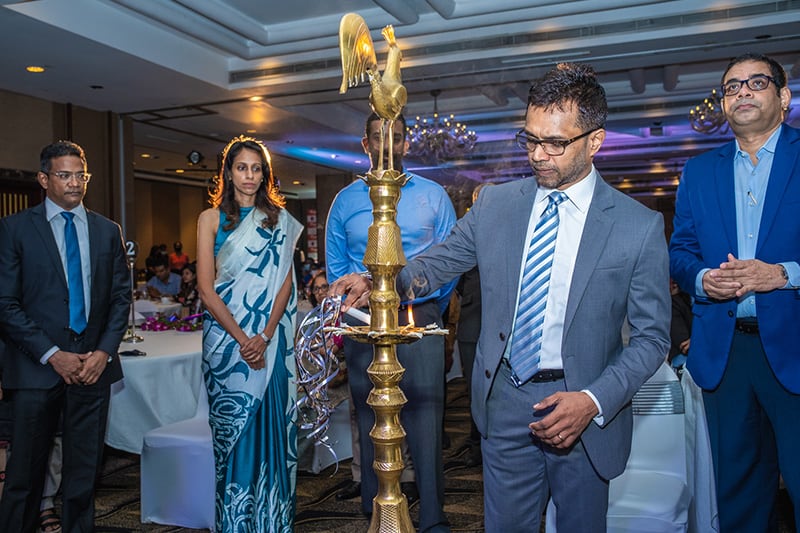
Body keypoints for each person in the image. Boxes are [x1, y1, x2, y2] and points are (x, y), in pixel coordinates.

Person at [333, 64, 671, 532]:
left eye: (555, 143)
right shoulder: (495, 204)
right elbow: (436, 264)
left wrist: (593, 400)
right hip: (504, 400)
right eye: (529, 139)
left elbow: (652, 339)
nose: (538, 155)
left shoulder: (637, 226)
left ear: (595, 141)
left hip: (582, 403)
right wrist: (379, 284)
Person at [669, 52, 800, 531]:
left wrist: (784, 274)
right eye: (731, 87)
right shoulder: (700, 171)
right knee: (737, 495)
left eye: (756, 82)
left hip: (795, 345)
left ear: (783, 97)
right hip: (725, 357)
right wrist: (702, 279)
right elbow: (681, 251)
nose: (742, 91)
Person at [325, 112, 455, 531]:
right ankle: (374, 512)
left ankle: (432, 517)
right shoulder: (344, 201)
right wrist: (357, 305)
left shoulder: (433, 196)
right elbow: (336, 273)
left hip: (420, 316)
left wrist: (424, 307)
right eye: (379, 138)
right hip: (364, 320)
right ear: (366, 144)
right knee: (369, 418)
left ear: (406, 143)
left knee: (425, 421)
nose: (388, 146)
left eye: (396, 137)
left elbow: (449, 267)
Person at [0, 140, 130, 531]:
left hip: (92, 367)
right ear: (44, 179)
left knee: (84, 473)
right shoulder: (15, 229)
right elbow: (5, 304)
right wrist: (53, 354)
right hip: (36, 368)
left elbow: (120, 299)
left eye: (80, 175)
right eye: (64, 175)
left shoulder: (107, 231)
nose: (75, 183)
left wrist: (103, 352)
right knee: (24, 475)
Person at [196, 135, 302, 532]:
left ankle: (273, 522)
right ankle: (236, 523)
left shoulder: (280, 221)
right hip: (227, 346)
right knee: (233, 435)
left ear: (265, 175)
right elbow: (206, 290)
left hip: (269, 344)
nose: (250, 176)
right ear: (228, 172)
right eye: (242, 167)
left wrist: (266, 336)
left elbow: (285, 284)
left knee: (271, 428)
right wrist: (244, 341)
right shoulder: (210, 219)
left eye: (257, 169)